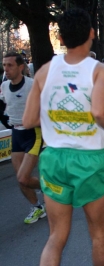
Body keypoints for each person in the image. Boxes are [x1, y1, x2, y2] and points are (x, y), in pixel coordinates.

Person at [22, 8, 104, 265]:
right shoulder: (100, 71)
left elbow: (27, 120)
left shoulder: (43, 72)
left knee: (56, 236)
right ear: (92, 33)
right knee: (99, 235)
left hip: (54, 160)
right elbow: (100, 111)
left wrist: (57, 118)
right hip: (89, 161)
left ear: (60, 38)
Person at [0, 52, 45, 224]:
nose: (6, 69)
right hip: (16, 134)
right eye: (4, 65)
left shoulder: (32, 86)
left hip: (33, 133)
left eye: (10, 65)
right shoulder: (4, 86)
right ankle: (37, 207)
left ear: (21, 67)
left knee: (23, 177)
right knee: (21, 177)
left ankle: (54, 189)